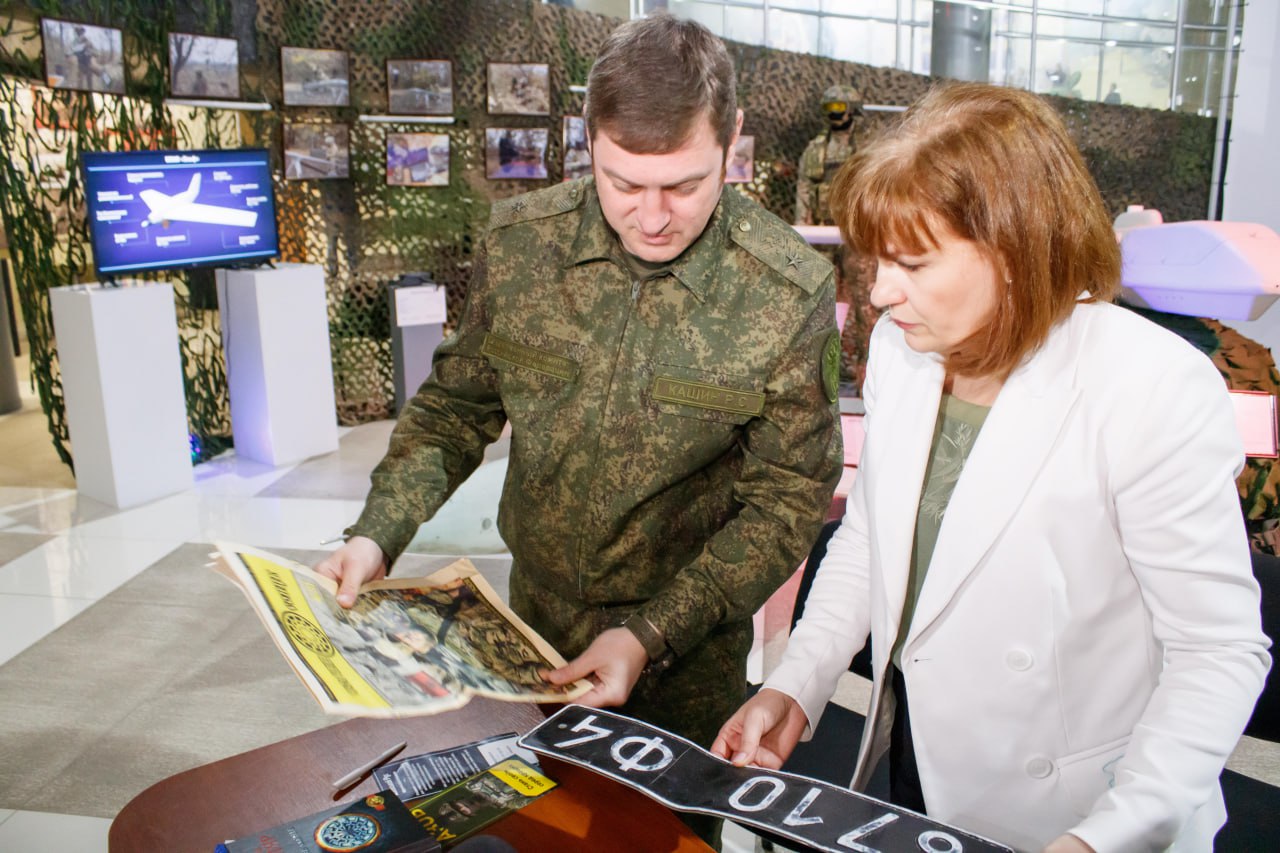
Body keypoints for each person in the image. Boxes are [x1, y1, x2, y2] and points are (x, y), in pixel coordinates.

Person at [316, 13, 841, 842]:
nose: (653, 217)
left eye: (684, 186)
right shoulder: (523, 246)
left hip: (684, 664)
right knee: (528, 834)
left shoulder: (784, 290)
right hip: (526, 640)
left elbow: (787, 502)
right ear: (586, 137)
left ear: (732, 139)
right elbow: (455, 409)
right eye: (623, 183)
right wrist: (377, 534)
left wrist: (650, 633)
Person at [712, 82, 1270, 853]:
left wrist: (1105, 835)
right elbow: (871, 541)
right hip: (924, 762)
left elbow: (1218, 652)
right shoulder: (904, 350)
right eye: (879, 259)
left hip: (1079, 809)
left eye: (913, 262)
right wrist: (797, 682)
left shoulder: (1151, 387)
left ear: (1015, 250)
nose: (880, 291)